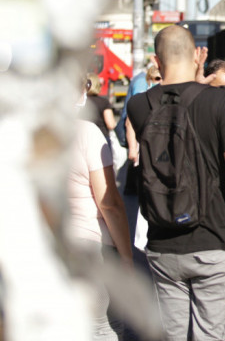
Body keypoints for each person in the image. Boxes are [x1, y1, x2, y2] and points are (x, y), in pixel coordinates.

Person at [126, 25, 225, 340]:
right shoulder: (220, 104)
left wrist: (198, 76)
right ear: (197, 56)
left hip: (163, 246)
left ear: (156, 58)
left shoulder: (139, 106)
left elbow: (177, 102)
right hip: (216, 245)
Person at [70, 77, 133, 339]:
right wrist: (127, 258)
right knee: (102, 327)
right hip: (88, 243)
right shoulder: (87, 133)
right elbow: (109, 202)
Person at [79, 73, 117, 144]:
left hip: (83, 138)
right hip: (101, 138)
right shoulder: (104, 102)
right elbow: (110, 124)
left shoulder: (80, 102)